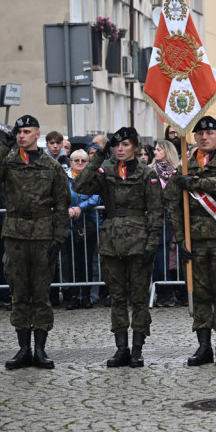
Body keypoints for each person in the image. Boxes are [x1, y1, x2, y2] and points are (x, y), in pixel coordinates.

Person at [0, 115, 70, 370]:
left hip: (42, 234)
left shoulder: (51, 167)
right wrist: (3, 146)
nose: (21, 135)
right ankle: (23, 349)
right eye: (18, 132)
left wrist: (59, 237)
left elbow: (62, 203)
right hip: (16, 234)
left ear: (37, 134)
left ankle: (40, 349)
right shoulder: (8, 161)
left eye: (26, 132)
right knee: (19, 294)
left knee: (41, 294)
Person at [74, 127, 163, 368]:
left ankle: (137, 349)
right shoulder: (106, 171)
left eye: (125, 145)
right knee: (117, 297)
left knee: (140, 298)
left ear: (135, 146)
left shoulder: (147, 174)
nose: (120, 149)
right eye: (116, 145)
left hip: (138, 239)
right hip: (111, 239)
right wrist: (99, 157)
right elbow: (81, 185)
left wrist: (152, 242)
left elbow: (155, 210)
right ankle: (121, 348)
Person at [166, 116, 216, 367]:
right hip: (195, 240)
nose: (204, 137)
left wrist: (195, 183)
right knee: (199, 294)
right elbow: (172, 203)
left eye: (209, 133)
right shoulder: (184, 167)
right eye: (199, 134)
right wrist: (180, 238)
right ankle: (203, 347)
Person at [63, 149, 101, 310]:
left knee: (87, 261)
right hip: (69, 223)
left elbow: (97, 196)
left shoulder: (92, 177)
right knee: (71, 261)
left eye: (83, 161)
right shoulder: (64, 178)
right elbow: (60, 195)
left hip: (88, 223)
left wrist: (81, 207)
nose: (79, 163)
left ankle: (86, 296)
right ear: (70, 162)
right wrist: (69, 208)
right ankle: (72, 296)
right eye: (76, 160)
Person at [151, 140, 180, 307]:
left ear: (167, 152)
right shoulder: (150, 170)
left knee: (172, 256)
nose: (155, 152)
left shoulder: (175, 171)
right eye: (155, 149)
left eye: (159, 149)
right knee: (158, 255)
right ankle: (162, 291)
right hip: (158, 217)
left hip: (173, 215)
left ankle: (173, 291)